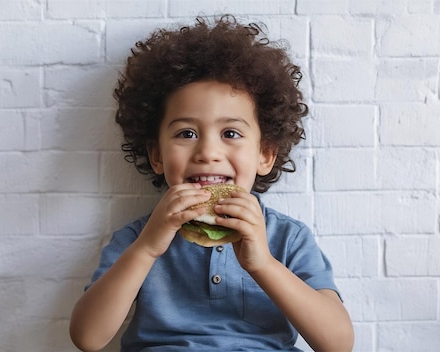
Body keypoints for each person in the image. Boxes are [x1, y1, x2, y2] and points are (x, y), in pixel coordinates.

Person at [70, 14, 354, 352]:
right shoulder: (138, 238)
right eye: (187, 133)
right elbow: (87, 338)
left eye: (230, 133)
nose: (208, 152)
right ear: (157, 155)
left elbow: (338, 344)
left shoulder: (287, 238)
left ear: (265, 154)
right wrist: (148, 247)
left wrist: (261, 263)